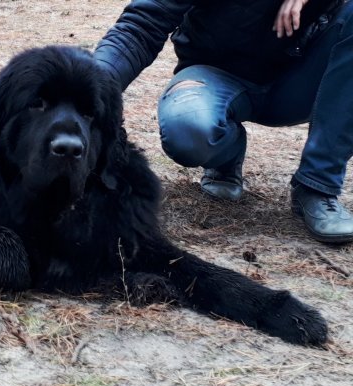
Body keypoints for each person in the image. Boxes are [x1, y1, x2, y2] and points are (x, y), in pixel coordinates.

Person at [94, 0, 353, 243]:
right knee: (187, 130)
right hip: (215, 76)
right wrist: (86, 88)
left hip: (298, 82)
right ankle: (225, 155)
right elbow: (142, 24)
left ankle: (317, 186)